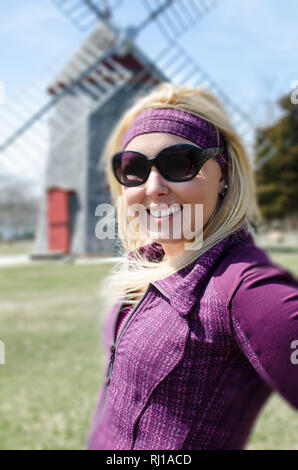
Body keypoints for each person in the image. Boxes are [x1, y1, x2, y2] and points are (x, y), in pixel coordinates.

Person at [85, 83, 298, 450]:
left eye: (179, 163)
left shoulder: (246, 291)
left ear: (224, 174)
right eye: (133, 168)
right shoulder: (148, 263)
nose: (154, 187)